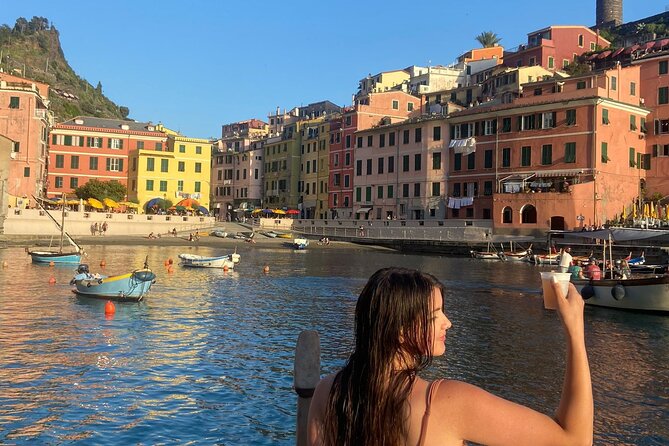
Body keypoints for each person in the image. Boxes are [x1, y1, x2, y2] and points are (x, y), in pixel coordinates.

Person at [307, 267, 592, 446]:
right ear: (402, 331)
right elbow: (576, 440)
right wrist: (575, 333)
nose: (448, 323)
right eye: (435, 315)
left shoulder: (327, 391)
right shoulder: (447, 402)